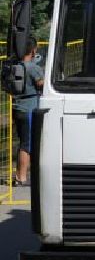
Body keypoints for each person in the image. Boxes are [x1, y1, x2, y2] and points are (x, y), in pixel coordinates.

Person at [10, 42, 43, 187]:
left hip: (17, 107)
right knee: (27, 145)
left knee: (22, 141)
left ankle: (19, 175)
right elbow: (42, 84)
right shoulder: (34, 68)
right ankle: (21, 178)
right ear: (33, 50)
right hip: (29, 108)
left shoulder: (16, 66)